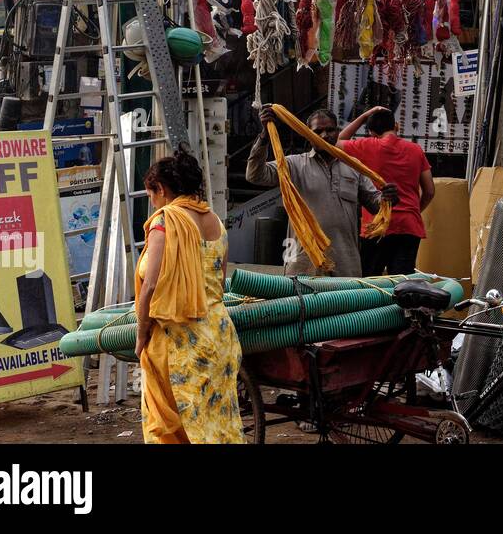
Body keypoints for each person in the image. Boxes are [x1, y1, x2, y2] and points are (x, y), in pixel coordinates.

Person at [134, 150, 244, 445]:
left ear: (163, 189)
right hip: (220, 336)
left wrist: (141, 335)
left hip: (182, 342)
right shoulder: (216, 222)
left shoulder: (165, 223)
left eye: (152, 195)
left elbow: (151, 285)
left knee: (181, 428)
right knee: (219, 425)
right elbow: (220, 281)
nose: (153, 202)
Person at [246, 106, 378, 277]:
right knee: (302, 303)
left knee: (345, 303)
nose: (325, 135)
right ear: (307, 134)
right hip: (304, 261)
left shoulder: (354, 166)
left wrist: (387, 199)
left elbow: (375, 204)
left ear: (338, 132)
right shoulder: (294, 165)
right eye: (318, 131)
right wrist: (264, 135)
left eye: (330, 130)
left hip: (346, 262)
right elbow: (255, 175)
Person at [339, 106, 434, 276]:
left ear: (371, 132)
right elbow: (429, 191)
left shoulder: (366, 146)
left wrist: (364, 115)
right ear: (396, 126)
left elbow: (335, 142)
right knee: (402, 283)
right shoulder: (416, 150)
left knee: (370, 281)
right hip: (408, 225)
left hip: (376, 225)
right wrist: (415, 211)